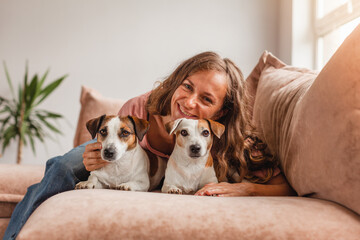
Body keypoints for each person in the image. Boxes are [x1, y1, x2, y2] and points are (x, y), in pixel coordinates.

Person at [4, 51, 295, 240]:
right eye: (187, 86)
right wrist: (91, 159)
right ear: (177, 82)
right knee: (63, 165)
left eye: (206, 100)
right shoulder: (141, 109)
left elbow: (284, 187)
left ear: (221, 113)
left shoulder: (225, 139)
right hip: (126, 161)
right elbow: (108, 143)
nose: (189, 102)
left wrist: (246, 187)